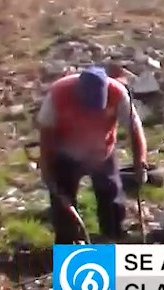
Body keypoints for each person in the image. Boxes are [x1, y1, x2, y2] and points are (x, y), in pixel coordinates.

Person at [36, 66, 148, 244]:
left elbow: (135, 130)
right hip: (66, 154)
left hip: (102, 153)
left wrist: (140, 163)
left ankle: (112, 238)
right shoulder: (58, 94)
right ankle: (68, 243)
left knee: (111, 198)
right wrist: (48, 172)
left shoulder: (118, 94)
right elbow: (46, 136)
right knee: (63, 205)